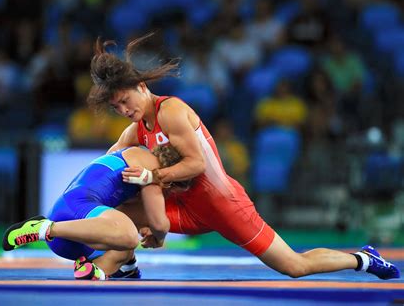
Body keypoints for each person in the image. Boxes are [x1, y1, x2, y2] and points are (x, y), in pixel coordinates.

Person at [87, 33, 400, 280]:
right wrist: (78, 204)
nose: (125, 111)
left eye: (126, 101)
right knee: (112, 212)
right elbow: (104, 168)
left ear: (141, 86)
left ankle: (362, 259)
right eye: (117, 108)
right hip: (182, 208)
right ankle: (126, 263)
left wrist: (153, 177)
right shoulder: (135, 129)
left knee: (293, 265)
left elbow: (195, 165)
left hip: (224, 205)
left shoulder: (171, 111)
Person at [2, 144, 188, 280]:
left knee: (125, 246)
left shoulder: (133, 172)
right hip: (71, 214)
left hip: (70, 241)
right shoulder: (148, 163)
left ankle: (95, 270)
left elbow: (142, 219)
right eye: (170, 191)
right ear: (172, 176)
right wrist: (159, 238)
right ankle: (43, 229)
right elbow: (159, 224)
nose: (167, 195)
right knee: (128, 235)